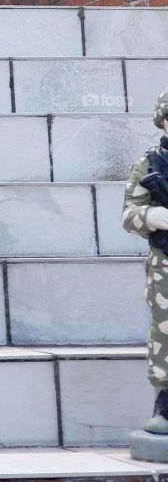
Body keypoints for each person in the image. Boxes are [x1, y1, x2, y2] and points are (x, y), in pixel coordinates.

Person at [122, 86, 168, 433]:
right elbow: (129, 214)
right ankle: (165, 407)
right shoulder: (150, 163)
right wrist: (151, 217)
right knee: (164, 332)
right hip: (166, 261)